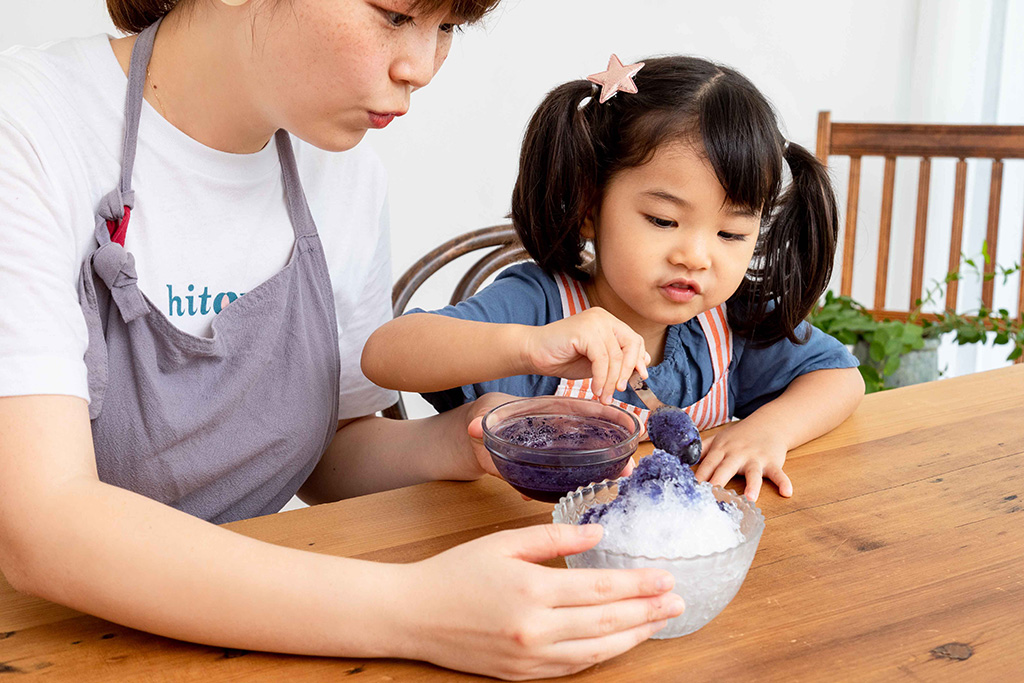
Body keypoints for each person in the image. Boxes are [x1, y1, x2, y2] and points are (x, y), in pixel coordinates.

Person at [0, 2, 684, 679]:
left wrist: (460, 440)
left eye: (447, 28)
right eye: (394, 15)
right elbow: (42, 524)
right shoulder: (29, 124)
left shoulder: (344, 176)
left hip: (242, 636)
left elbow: (332, 449)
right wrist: (420, 610)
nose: (421, 67)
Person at [362, 54, 866, 502]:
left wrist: (768, 430)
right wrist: (529, 345)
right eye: (663, 221)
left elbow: (841, 378)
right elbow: (387, 354)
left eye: (730, 233)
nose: (695, 256)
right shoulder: (543, 308)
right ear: (589, 205)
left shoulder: (727, 323)